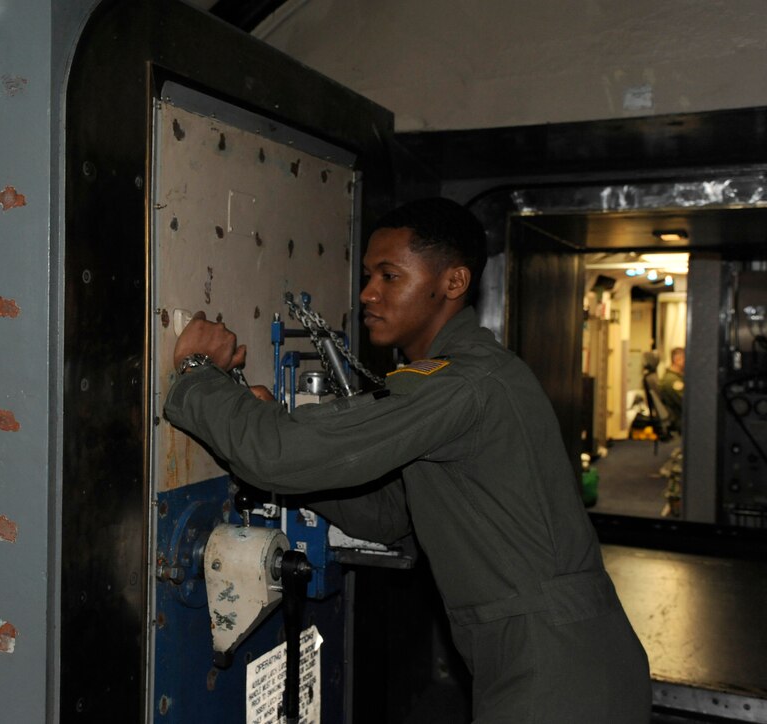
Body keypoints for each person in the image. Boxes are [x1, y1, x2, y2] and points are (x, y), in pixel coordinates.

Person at [164, 197, 651, 723]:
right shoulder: (468, 376)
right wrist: (303, 459)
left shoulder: (460, 383)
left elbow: (277, 457)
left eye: (390, 276)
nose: (368, 293)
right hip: (547, 651)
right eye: (369, 275)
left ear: (453, 282)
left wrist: (198, 375)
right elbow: (390, 515)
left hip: (554, 669)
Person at [659, 347, 685, 434]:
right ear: (678, 360)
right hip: (680, 419)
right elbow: (685, 403)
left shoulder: (675, 377)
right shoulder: (672, 381)